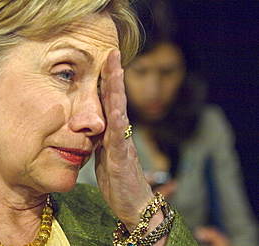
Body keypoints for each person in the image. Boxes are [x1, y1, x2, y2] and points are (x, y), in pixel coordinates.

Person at [0, 0, 198, 245]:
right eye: (66, 73)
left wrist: (143, 214)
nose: (96, 119)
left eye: (102, 87)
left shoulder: (117, 223)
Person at [78, 1, 259, 245]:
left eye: (167, 72)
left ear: (185, 71)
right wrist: (133, 209)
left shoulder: (208, 125)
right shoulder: (97, 126)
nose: (154, 90)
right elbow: (75, 222)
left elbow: (242, 228)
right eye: (141, 72)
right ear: (118, 71)